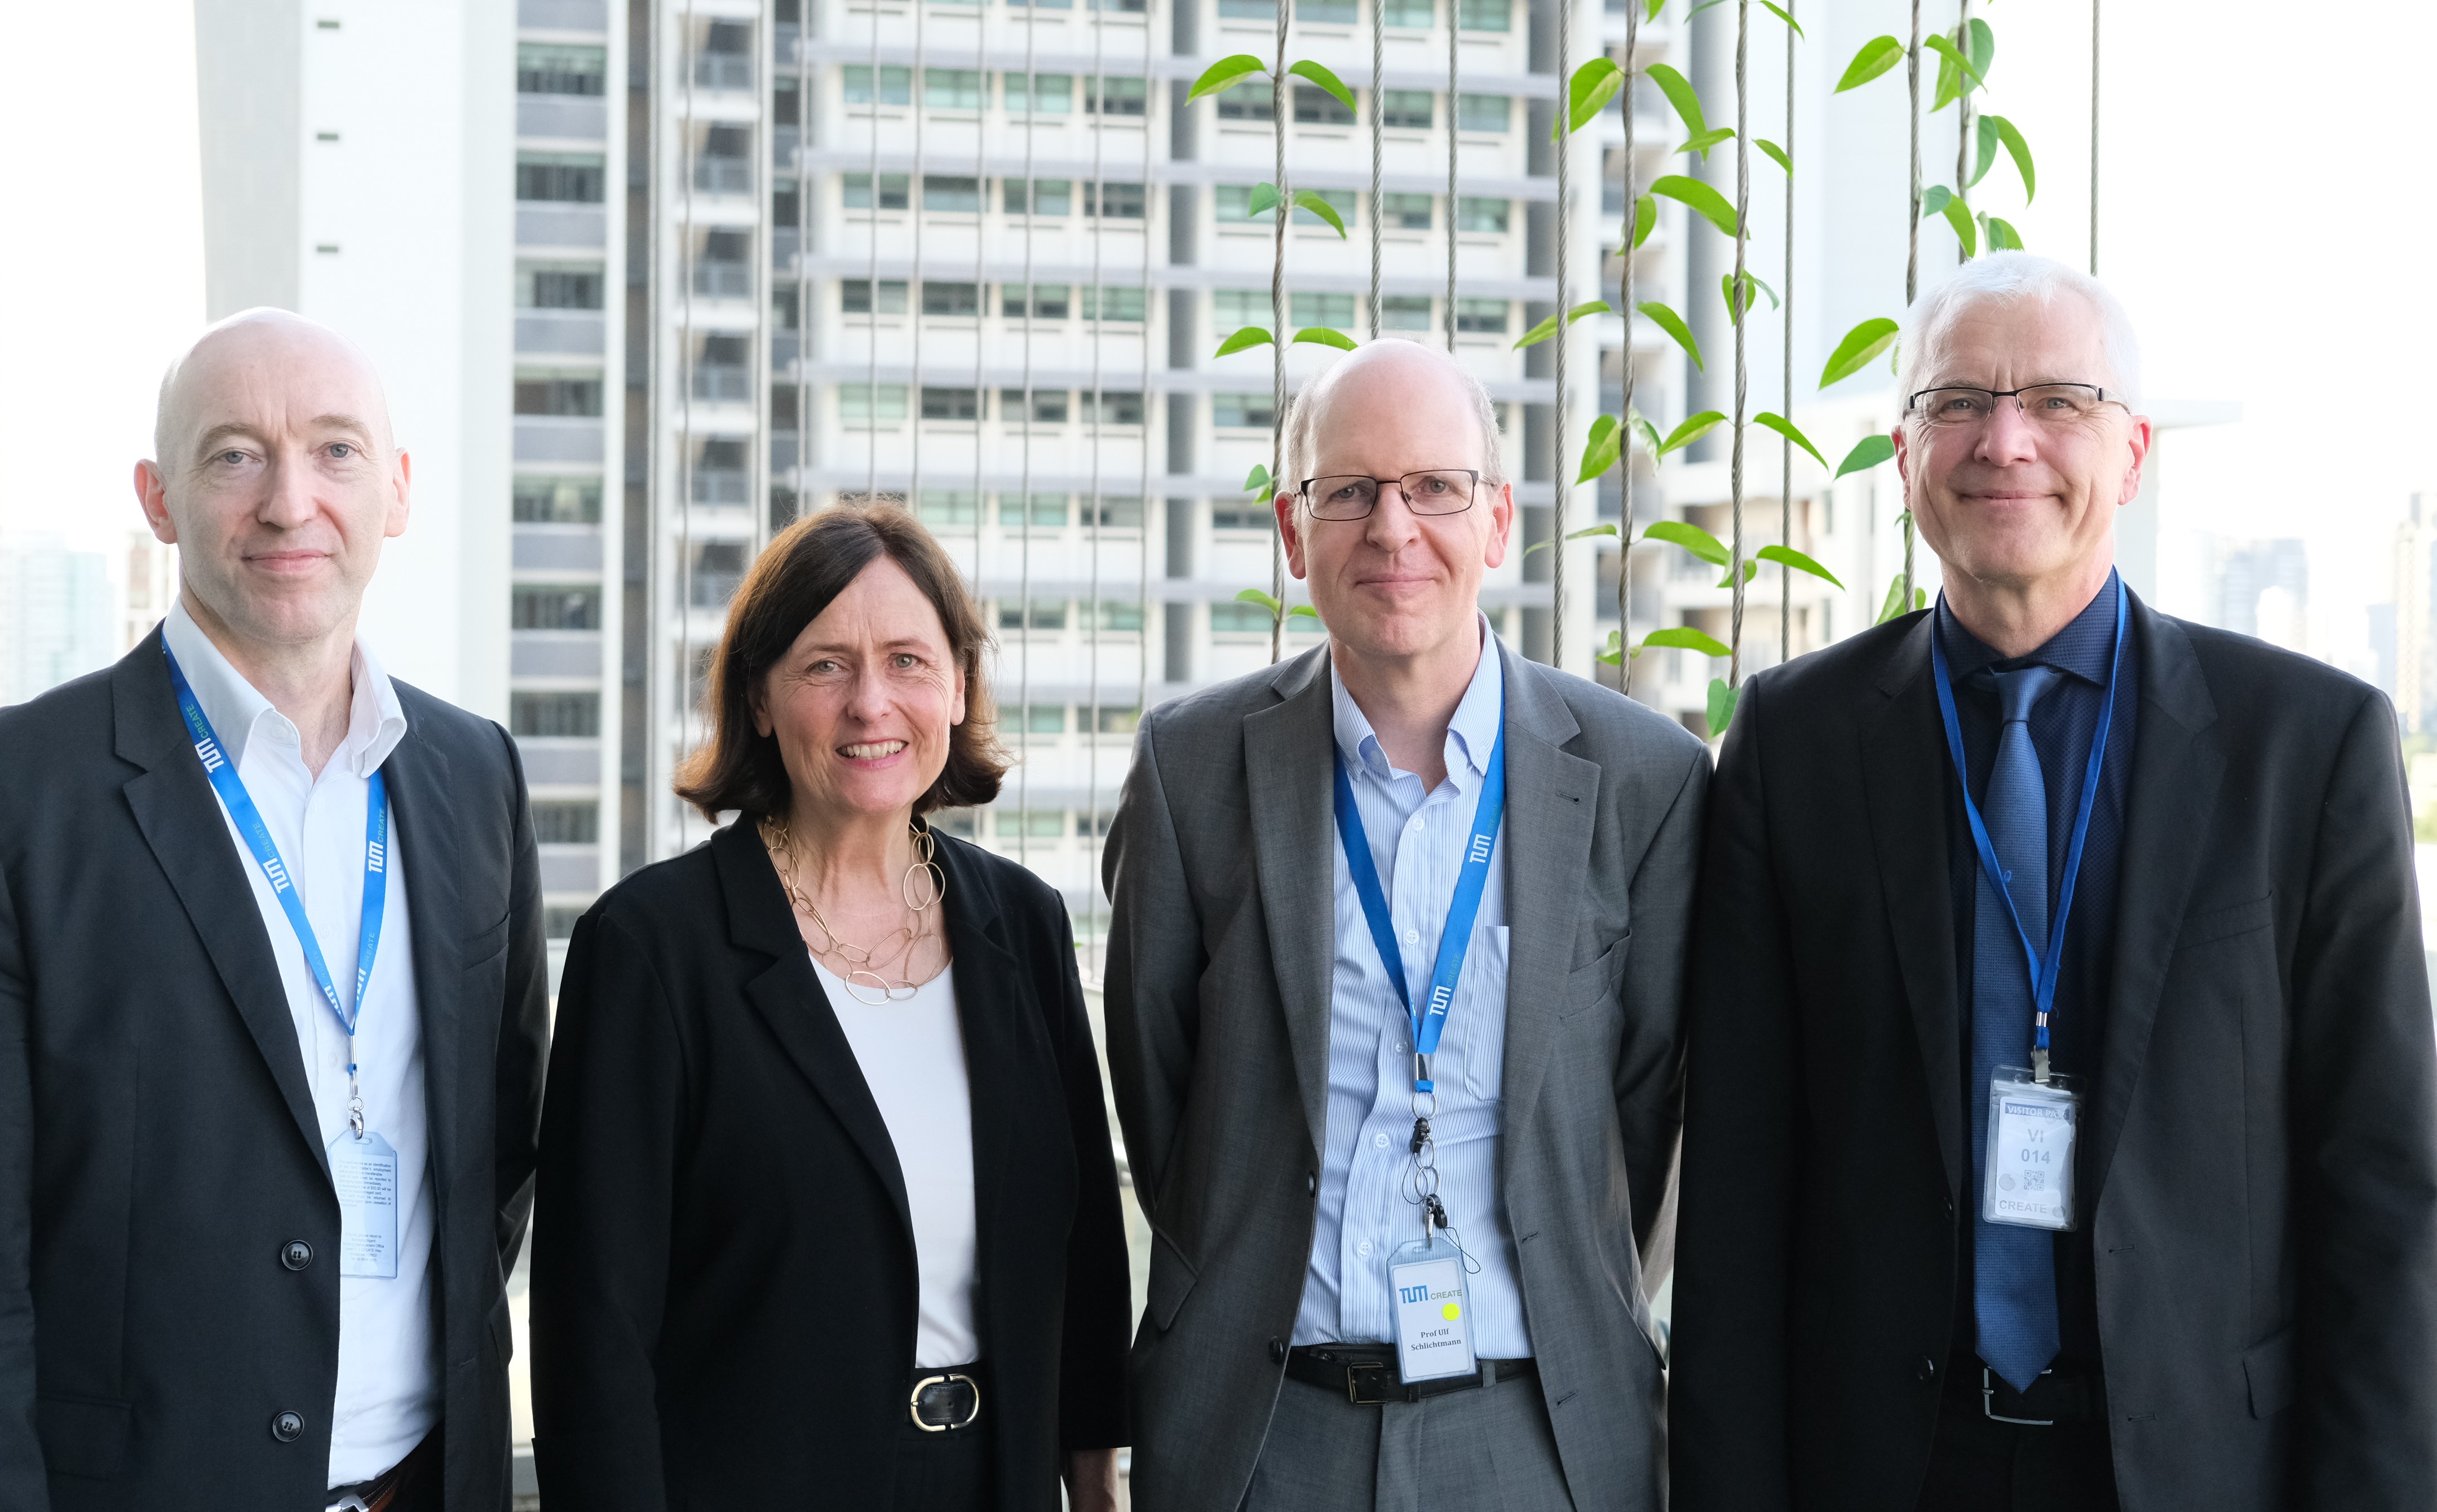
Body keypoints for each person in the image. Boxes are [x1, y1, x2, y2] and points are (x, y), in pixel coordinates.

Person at [1670, 250, 2437, 1511]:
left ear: (2130, 453)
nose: (2002, 441)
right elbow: (1738, 1192)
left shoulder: (2303, 747)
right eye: (1955, 402)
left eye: (2056, 403)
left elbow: (2382, 1193)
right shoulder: (1793, 744)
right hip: (1885, 1465)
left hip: (2201, 1463)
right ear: (1906, 456)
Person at [1102, 339, 1708, 1511]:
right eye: (1349, 492)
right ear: (1292, 531)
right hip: (1261, 1431)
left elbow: (1653, 1112)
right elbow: (1162, 1094)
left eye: (1433, 486)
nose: (1391, 528)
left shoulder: (1644, 779)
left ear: (1495, 519)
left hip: (1536, 1436)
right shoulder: (1190, 769)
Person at [0, 309, 550, 1511]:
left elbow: (500, 1139)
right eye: (236, 454)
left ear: (396, 493)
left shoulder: (475, 774)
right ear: (159, 498)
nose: (291, 502)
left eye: (336, 452)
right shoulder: (26, 793)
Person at [530, 505, 1129, 1510]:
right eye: (824, 666)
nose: (870, 704)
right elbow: (594, 1331)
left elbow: (1083, 1243)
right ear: (759, 697)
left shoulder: (1021, 925)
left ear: (959, 688)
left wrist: (1095, 1479)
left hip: (997, 1482)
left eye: (907, 660)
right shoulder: (650, 950)